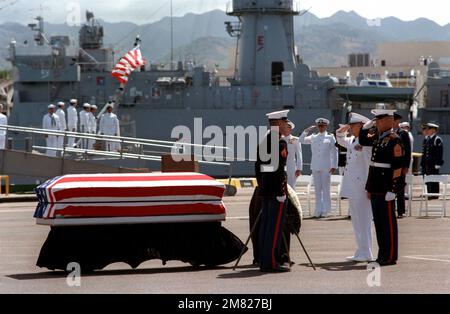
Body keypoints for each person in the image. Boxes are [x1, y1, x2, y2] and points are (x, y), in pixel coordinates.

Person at [359, 108, 405, 266]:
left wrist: (393, 190)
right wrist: (366, 126)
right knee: (379, 222)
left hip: (386, 188)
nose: (376, 123)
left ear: (389, 121)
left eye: (379, 120)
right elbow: (363, 140)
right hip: (376, 186)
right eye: (375, 120)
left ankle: (391, 255)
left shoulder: (394, 140)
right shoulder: (379, 138)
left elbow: (398, 167)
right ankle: (382, 254)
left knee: (388, 223)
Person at [255, 110, 290, 273]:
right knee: (274, 228)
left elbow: (259, 168)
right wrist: (280, 191)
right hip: (276, 192)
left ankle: (264, 260)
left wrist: (262, 185)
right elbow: (277, 170)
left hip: (265, 190)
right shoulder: (280, 143)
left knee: (266, 227)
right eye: (284, 122)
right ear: (278, 124)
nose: (286, 125)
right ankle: (272, 263)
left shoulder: (264, 141)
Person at [336, 113, 374, 262]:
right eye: (350, 125)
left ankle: (367, 252)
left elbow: (369, 167)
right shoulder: (352, 140)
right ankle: (361, 251)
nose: (350, 128)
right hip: (352, 186)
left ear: (362, 126)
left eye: (353, 125)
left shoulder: (366, 144)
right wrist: (346, 127)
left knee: (364, 220)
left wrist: (369, 187)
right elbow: (339, 137)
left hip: (362, 186)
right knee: (356, 220)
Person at [300, 118, 338, 218]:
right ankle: (318, 209)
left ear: (326, 126)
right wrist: (306, 131)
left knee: (326, 189)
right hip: (315, 166)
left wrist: (334, 165)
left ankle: (325, 210)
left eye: (323, 126)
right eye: (319, 126)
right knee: (317, 189)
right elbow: (301, 140)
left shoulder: (330, 137)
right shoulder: (313, 137)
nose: (321, 127)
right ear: (317, 126)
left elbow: (334, 151)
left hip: (326, 167)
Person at [393, 114, 412, 218]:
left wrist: (406, 166)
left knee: (400, 187)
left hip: (400, 165)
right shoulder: (388, 133)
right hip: (391, 165)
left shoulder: (403, 134)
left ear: (397, 121)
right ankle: (391, 209)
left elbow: (407, 151)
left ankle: (401, 211)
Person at [421, 123, 444, 197]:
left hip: (433, 163)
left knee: (434, 177)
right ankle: (429, 192)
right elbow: (425, 152)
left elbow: (439, 152)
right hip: (427, 163)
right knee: (428, 177)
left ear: (434, 130)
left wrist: (438, 163)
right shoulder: (428, 138)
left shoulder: (437, 139)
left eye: (429, 129)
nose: (427, 130)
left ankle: (435, 193)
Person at [283, 120, 303, 189]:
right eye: (284, 127)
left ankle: (291, 200)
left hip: (291, 166)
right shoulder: (279, 139)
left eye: (288, 127)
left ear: (290, 129)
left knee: (291, 186)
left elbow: (299, 155)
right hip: (280, 166)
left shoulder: (294, 139)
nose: (286, 129)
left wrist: (299, 168)